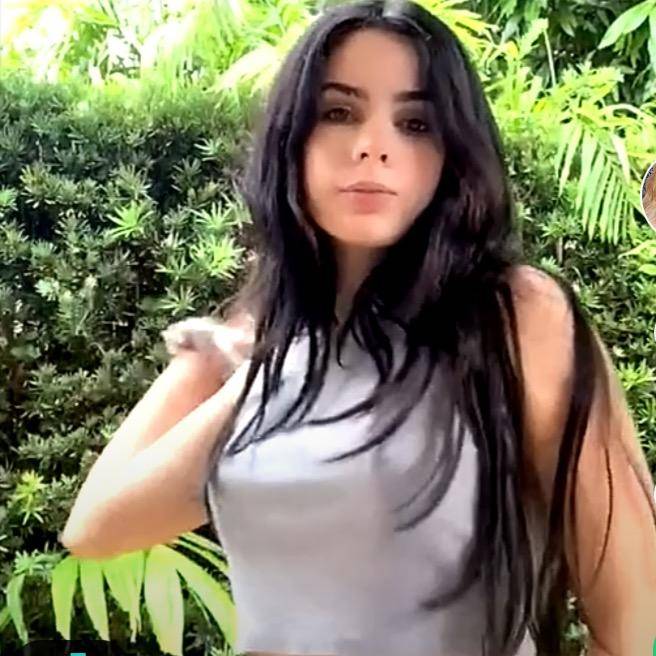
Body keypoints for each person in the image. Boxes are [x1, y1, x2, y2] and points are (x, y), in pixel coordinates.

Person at [60, 1, 656, 655]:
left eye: (415, 122)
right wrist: (212, 357)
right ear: (293, 140)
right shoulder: (278, 365)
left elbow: (634, 624)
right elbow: (96, 526)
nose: (374, 145)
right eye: (339, 112)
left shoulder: (513, 316)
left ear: (452, 155)